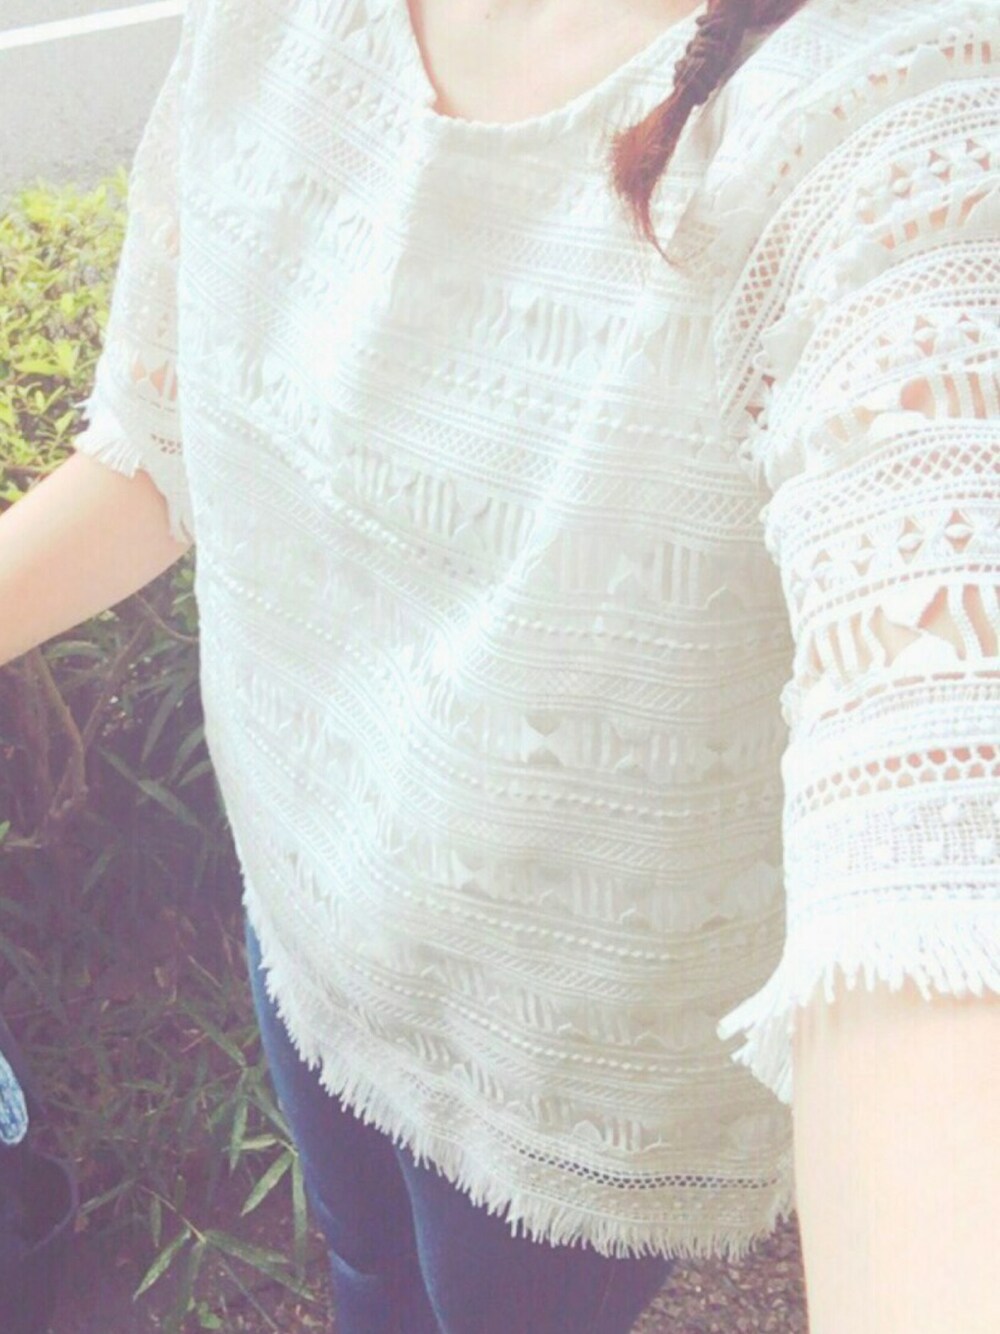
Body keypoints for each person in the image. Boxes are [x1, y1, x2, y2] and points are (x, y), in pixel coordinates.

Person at [0, 0, 996, 1329]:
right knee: (365, 1263)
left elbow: (932, 864)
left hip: (562, 1068)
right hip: (305, 911)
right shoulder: (265, 22)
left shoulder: (903, 120)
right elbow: (152, 443)